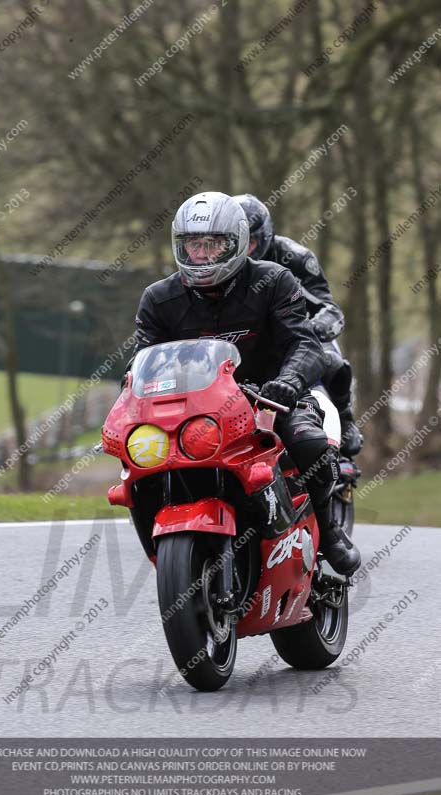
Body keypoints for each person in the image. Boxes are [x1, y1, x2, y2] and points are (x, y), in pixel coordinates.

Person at [132, 191, 360, 576]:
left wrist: (287, 383)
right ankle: (170, 546)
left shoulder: (275, 280)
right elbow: (140, 363)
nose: (201, 255)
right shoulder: (158, 299)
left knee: (310, 442)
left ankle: (331, 530)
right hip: (197, 407)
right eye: (193, 245)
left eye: (213, 244)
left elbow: (305, 345)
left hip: (272, 396)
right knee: (141, 461)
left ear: (238, 242)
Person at [233, 193, 363, 457]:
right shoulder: (215, 266)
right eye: (237, 242)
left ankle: (346, 421)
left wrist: (312, 329)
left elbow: (329, 307)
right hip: (247, 342)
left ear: (265, 236)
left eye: (251, 242)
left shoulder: (295, 257)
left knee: (331, 361)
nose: (243, 251)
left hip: (296, 332)